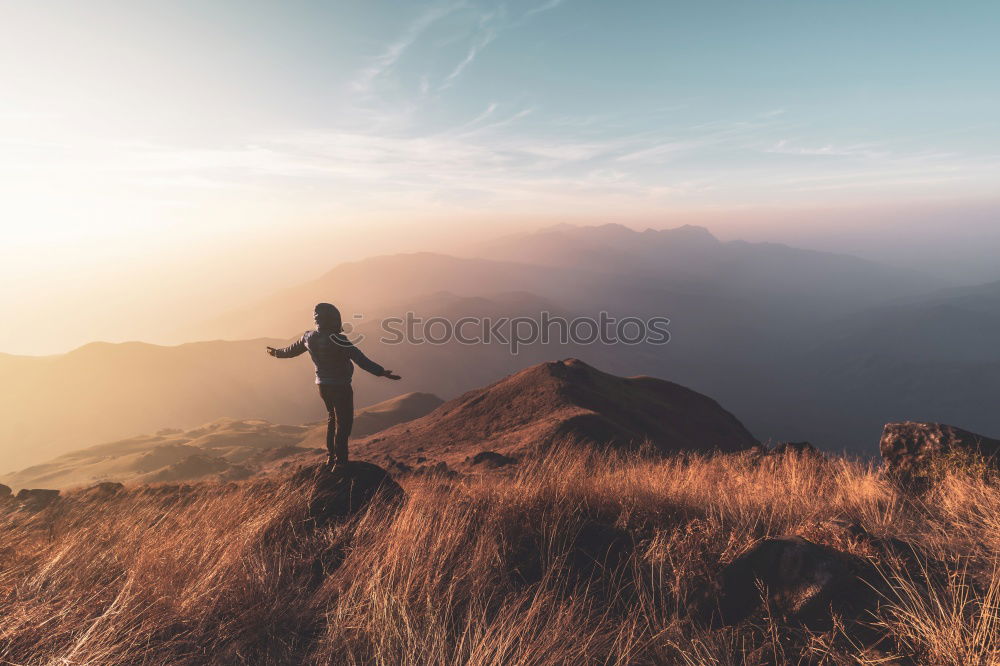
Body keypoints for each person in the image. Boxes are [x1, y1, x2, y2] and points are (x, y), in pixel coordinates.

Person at [267, 303, 400, 468]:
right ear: (333, 320)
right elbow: (361, 360)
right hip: (341, 387)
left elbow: (290, 351)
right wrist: (381, 372)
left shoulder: (308, 337)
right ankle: (341, 461)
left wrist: (276, 353)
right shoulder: (340, 340)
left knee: (332, 419)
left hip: (322, 386)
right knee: (344, 424)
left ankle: (331, 457)